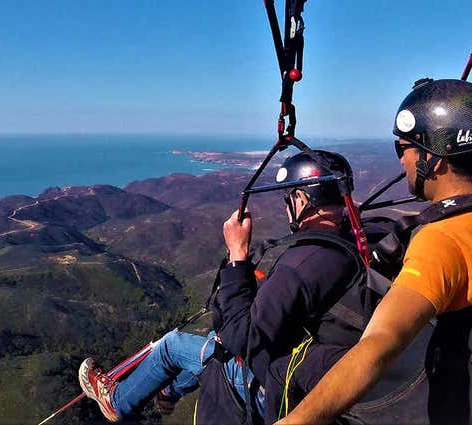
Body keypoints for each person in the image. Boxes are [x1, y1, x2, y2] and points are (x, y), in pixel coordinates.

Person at [276, 71, 472, 425]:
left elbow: (378, 346)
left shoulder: (442, 242)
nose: (400, 161)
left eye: (403, 148)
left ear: (435, 159)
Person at [78, 150, 364, 423]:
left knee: (172, 345)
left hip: (270, 386)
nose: (287, 205)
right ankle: (168, 392)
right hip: (310, 373)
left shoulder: (301, 264)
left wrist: (238, 256)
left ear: (303, 198)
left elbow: (244, 338)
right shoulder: (351, 243)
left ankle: (116, 400)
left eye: (290, 197)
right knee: (216, 336)